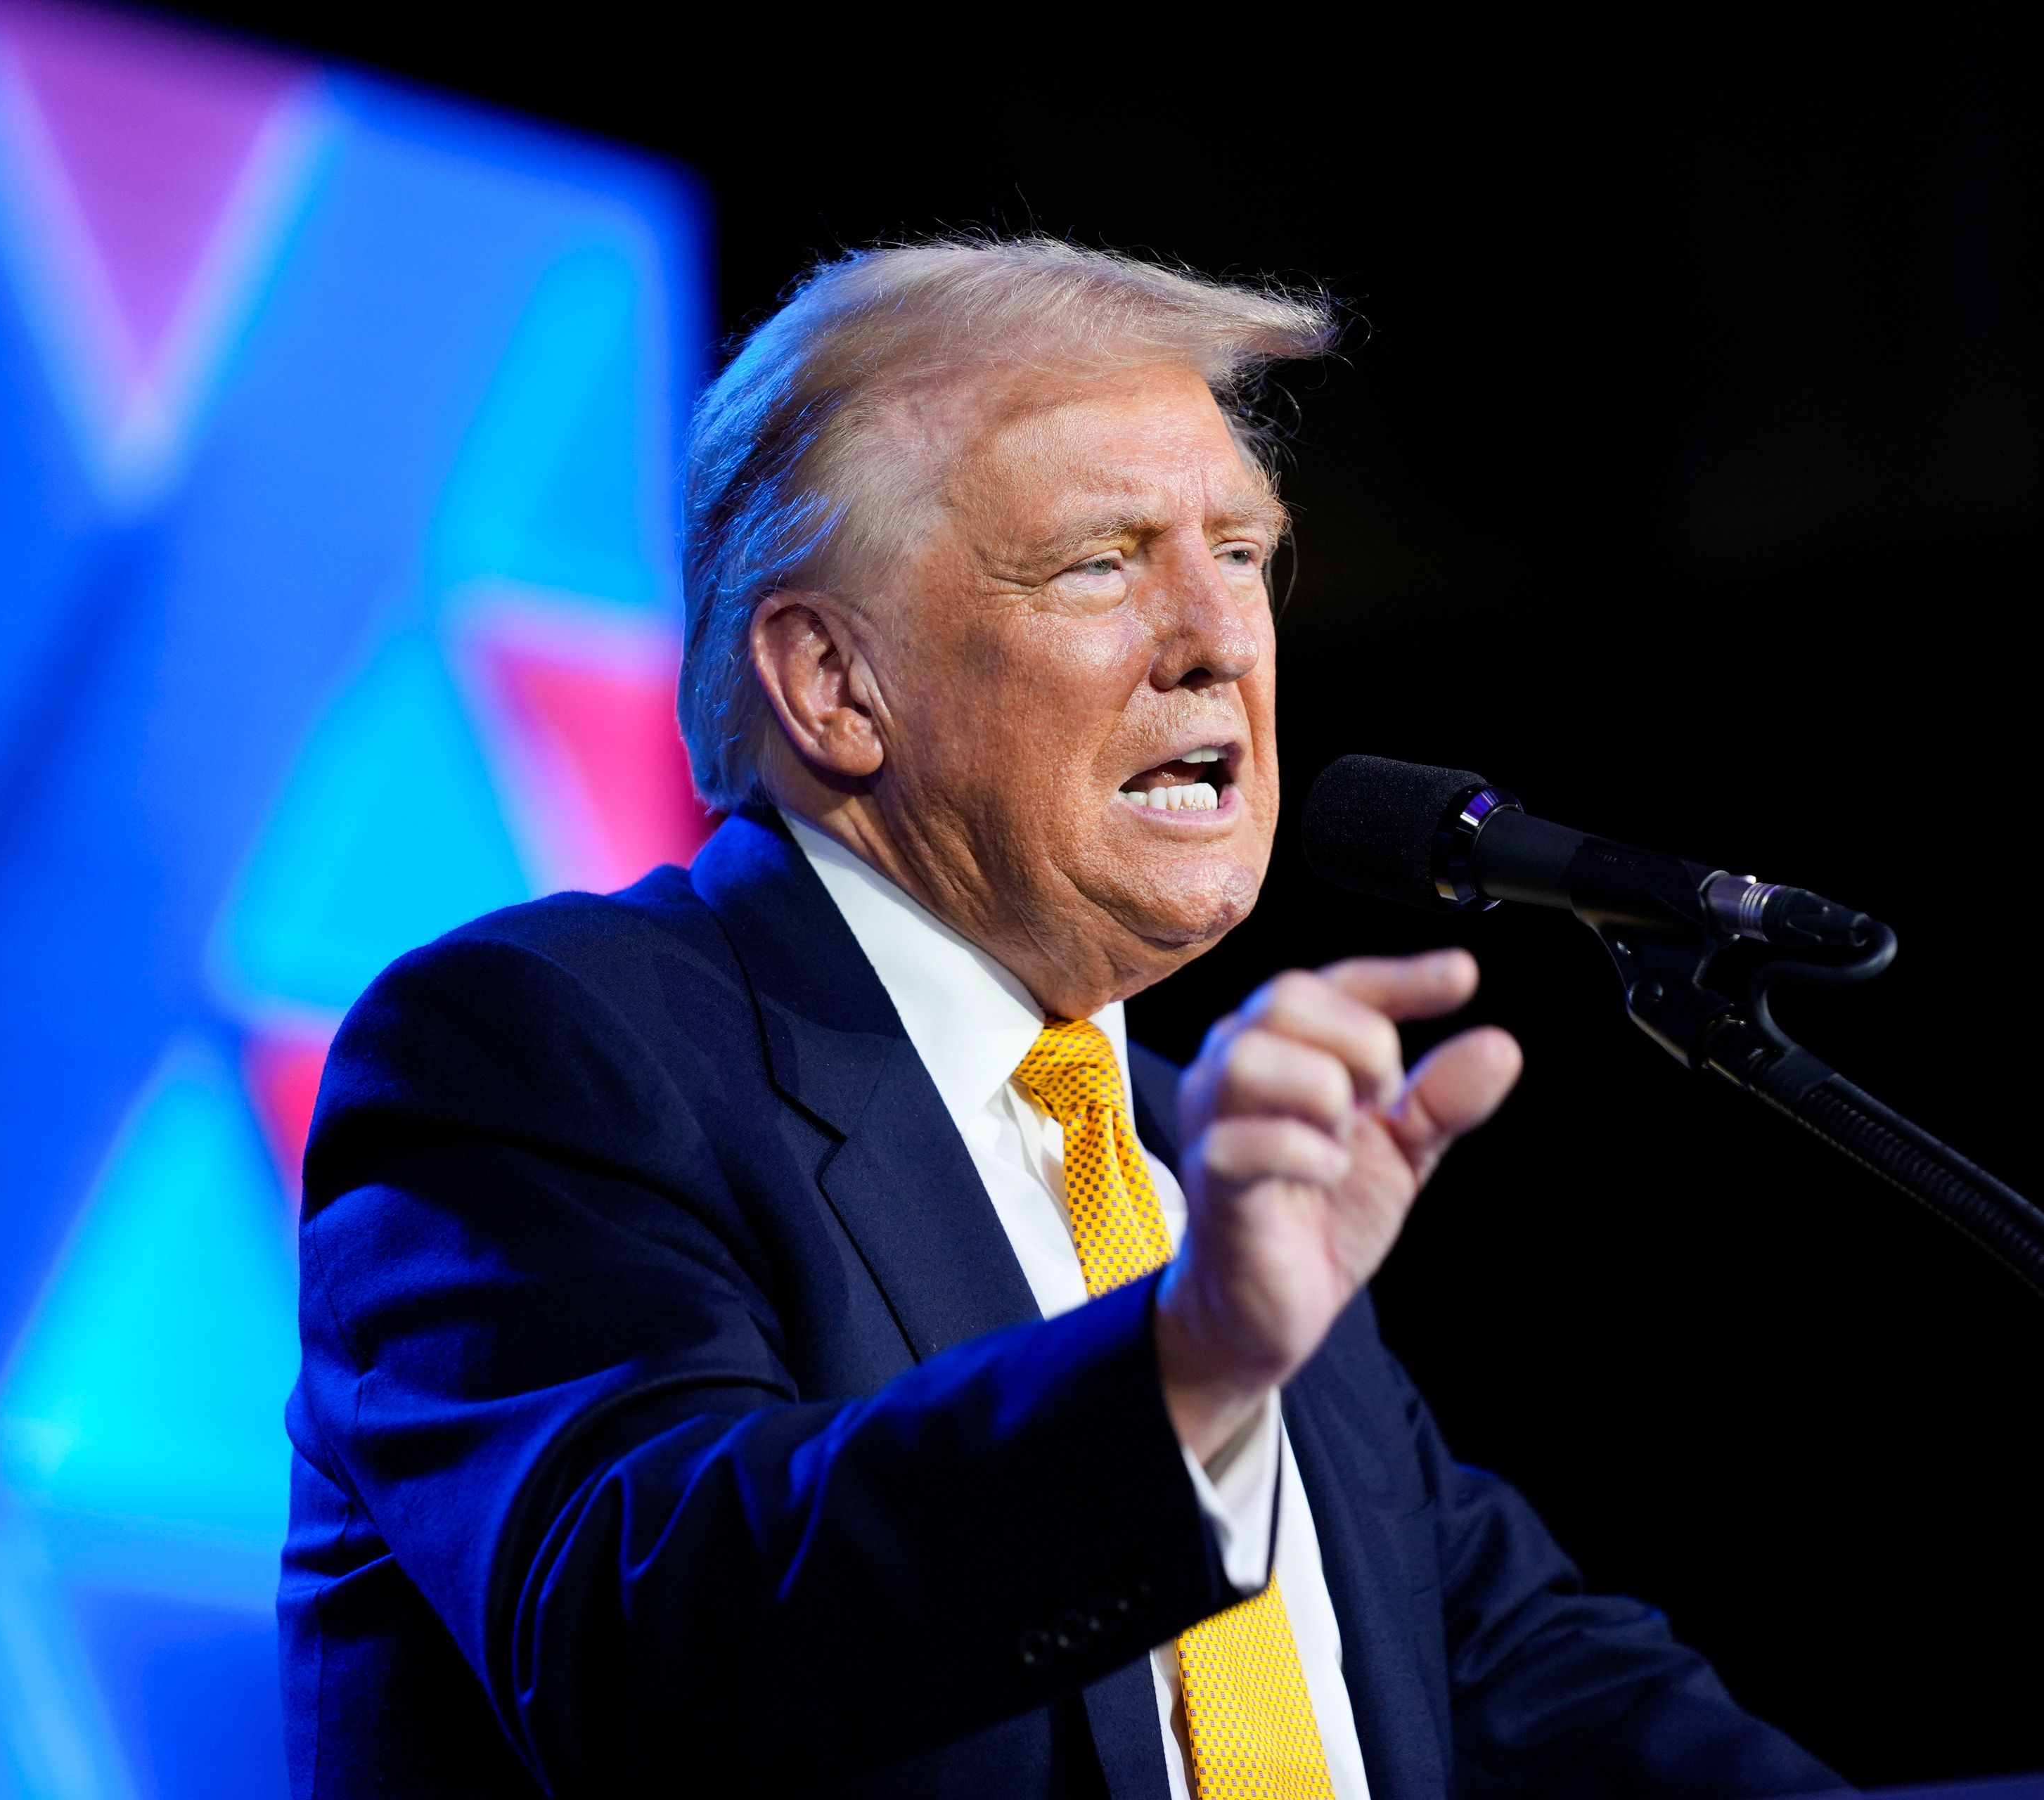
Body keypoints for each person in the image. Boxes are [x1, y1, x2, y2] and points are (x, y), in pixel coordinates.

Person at [278, 238, 1846, 1800]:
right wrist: (1185, 1368)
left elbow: (1549, 1685)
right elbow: (654, 1636)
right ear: (833, 682)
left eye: (1242, 551)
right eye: (1103, 559)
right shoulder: (543, 1053)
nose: (1220, 636)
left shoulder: (1191, 1157)